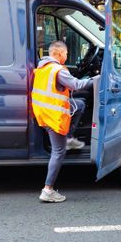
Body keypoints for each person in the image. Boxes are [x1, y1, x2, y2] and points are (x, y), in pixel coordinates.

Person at [31, 41, 94, 203]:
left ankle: (69, 139)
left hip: (43, 113)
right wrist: (97, 78)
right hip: (54, 116)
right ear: (59, 53)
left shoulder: (43, 68)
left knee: (79, 105)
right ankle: (48, 190)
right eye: (66, 54)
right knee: (58, 152)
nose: (66, 57)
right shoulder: (58, 70)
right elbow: (77, 85)